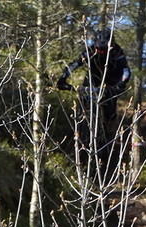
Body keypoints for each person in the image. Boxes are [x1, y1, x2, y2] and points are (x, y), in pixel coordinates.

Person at [56, 31, 132, 176]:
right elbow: (75, 64)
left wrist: (122, 83)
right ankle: (80, 132)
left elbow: (126, 70)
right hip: (92, 81)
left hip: (111, 82)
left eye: (104, 50)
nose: (101, 52)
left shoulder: (117, 51)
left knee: (110, 112)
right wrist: (63, 78)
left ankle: (109, 135)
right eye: (99, 49)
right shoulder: (90, 50)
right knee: (83, 103)